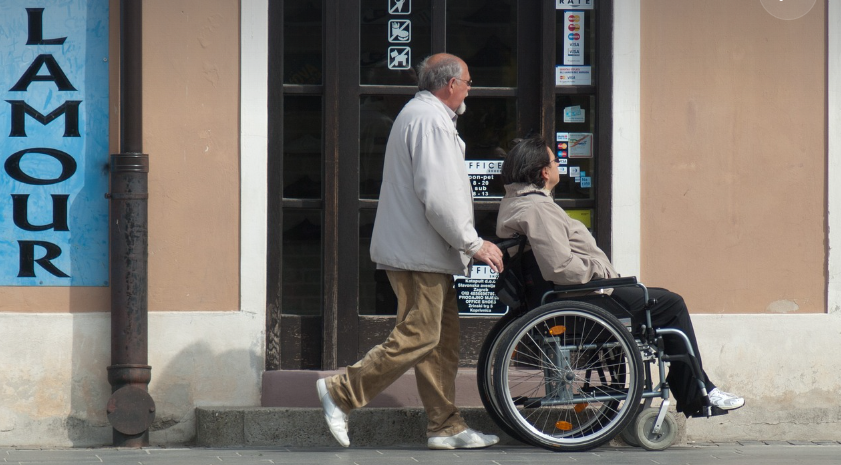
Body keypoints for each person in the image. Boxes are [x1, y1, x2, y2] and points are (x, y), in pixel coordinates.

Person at [316, 53, 505, 449]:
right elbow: (439, 196)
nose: (471, 89)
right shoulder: (430, 121)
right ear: (450, 84)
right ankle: (341, 391)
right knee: (420, 335)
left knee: (441, 341)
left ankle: (445, 426)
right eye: (468, 82)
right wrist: (473, 242)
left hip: (425, 251)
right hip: (420, 253)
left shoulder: (424, 116)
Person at [495, 136, 744, 418]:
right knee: (671, 304)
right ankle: (698, 389)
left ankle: (695, 386)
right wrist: (601, 272)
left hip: (573, 297)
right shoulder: (538, 209)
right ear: (543, 172)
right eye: (555, 160)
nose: (558, 165)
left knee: (659, 299)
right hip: (582, 298)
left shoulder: (518, 204)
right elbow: (560, 268)